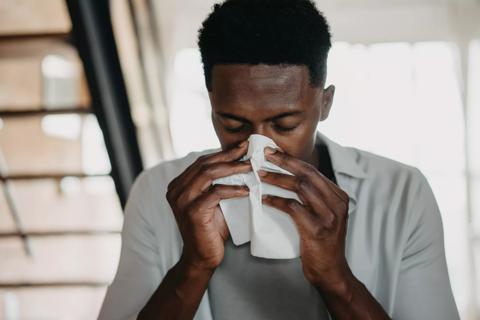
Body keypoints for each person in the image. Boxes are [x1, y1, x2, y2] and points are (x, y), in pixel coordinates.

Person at [98, 0, 460, 319]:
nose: (261, 148)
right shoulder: (160, 191)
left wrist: (337, 280)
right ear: (211, 109)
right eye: (233, 124)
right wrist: (194, 265)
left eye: (285, 124)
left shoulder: (401, 194)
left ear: (325, 104)